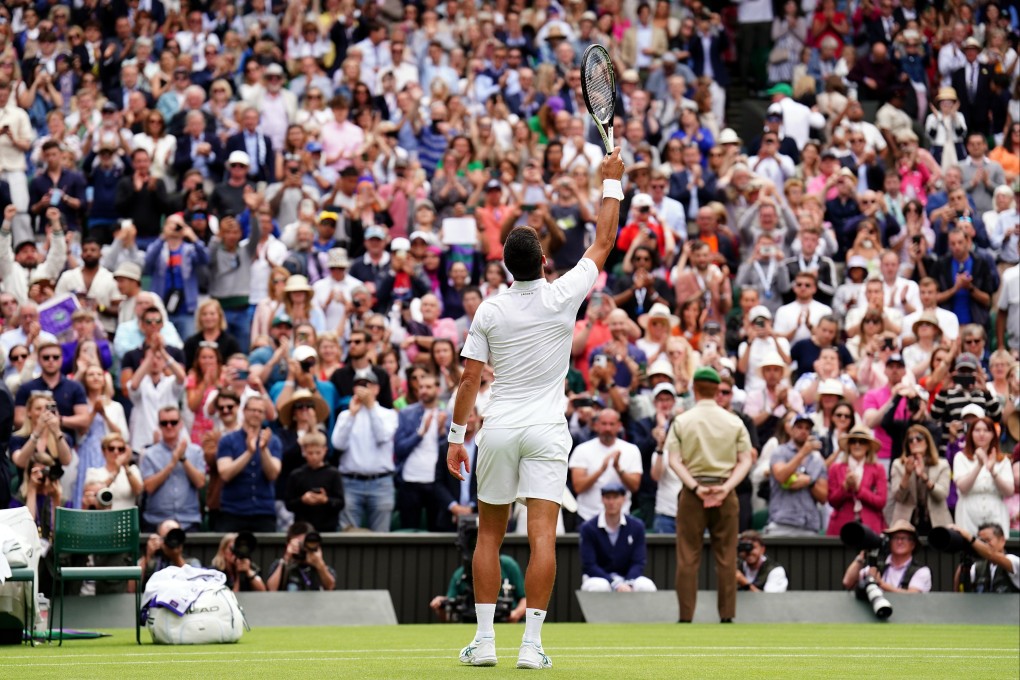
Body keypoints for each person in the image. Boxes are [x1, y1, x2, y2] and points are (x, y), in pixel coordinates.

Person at [446, 149, 623, 669]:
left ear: (505, 264)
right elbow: (605, 240)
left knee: (489, 535)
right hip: (546, 430)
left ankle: (484, 642)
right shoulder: (563, 293)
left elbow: (469, 379)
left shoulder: (490, 310)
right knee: (542, 536)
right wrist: (610, 181)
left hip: (498, 429)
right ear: (544, 262)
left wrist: (456, 436)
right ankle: (531, 646)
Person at [665, 366, 753, 623]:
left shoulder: (682, 420)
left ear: (694, 389)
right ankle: (727, 616)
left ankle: (685, 617)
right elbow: (746, 460)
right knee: (727, 557)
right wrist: (725, 488)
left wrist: (695, 487)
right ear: (717, 390)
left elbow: (673, 460)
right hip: (725, 491)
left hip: (694, 494)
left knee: (687, 557)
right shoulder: (734, 421)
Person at [330, 367, 399, 532]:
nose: (362, 388)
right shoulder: (345, 415)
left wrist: (370, 408)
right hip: (350, 482)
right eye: (359, 384)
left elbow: (382, 436)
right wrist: (351, 415)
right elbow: (338, 444)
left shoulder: (388, 414)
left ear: (376, 388)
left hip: (380, 482)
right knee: (348, 535)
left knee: (381, 539)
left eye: (366, 384)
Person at [215, 395, 282, 532]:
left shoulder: (273, 441)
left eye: (260, 411)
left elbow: (273, 474)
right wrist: (249, 453)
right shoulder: (227, 440)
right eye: (252, 410)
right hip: (233, 511)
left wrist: (263, 450)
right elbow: (225, 474)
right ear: (244, 411)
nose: (256, 414)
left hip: (264, 512)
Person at [578, 482, 657, 593]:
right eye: (608, 498)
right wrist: (614, 583)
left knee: (647, 586)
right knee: (600, 587)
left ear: (623, 499)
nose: (611, 502)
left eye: (615, 497)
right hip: (598, 579)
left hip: (627, 578)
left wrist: (628, 582)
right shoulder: (588, 528)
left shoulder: (637, 527)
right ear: (602, 499)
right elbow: (589, 565)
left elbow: (638, 562)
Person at [140, 405, 206, 532]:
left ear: (181, 424)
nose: (169, 426)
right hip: (156, 521)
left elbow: (200, 482)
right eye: (164, 423)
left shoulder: (195, 451)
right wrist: (172, 463)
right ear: (159, 425)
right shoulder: (149, 454)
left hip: (188, 520)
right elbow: (149, 487)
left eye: (173, 422)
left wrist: (183, 459)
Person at [569, 409, 643, 521]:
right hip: (587, 516)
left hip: (621, 517)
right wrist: (601, 470)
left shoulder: (632, 450)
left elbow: (635, 486)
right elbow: (578, 487)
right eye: (604, 424)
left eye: (612, 424)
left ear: (619, 426)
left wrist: (618, 469)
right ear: (596, 425)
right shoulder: (582, 449)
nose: (607, 428)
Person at [765, 413, 829, 537]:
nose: (803, 431)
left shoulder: (817, 460)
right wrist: (802, 454)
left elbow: (823, 497)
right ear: (791, 429)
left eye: (807, 428)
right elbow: (781, 476)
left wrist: (808, 481)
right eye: (799, 427)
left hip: (809, 524)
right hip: (781, 522)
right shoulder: (779, 452)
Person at [953, 416, 1013, 535]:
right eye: (977, 430)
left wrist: (993, 471)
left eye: (986, 430)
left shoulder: (1003, 460)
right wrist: (979, 465)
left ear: (993, 434)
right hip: (968, 516)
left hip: (996, 516)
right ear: (971, 433)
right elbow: (963, 488)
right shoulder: (960, 457)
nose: (982, 434)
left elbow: (1009, 491)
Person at [430, 551, 527, 623]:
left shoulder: (508, 565)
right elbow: (447, 616)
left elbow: (525, 598)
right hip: (472, 625)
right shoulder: (460, 575)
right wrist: (441, 605)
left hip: (507, 623)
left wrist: (516, 614)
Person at [890, 425, 953, 534]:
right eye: (910, 440)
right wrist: (907, 474)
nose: (914, 441)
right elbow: (898, 497)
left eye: (919, 438)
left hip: (936, 522)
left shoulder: (941, 465)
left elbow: (942, 495)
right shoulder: (898, 465)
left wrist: (924, 477)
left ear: (927, 442)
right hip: (906, 521)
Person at [827, 425, 887, 537]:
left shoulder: (878, 469)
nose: (857, 445)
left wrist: (859, 489)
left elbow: (881, 502)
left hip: (870, 526)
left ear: (868, 446)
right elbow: (832, 501)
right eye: (853, 441)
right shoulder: (836, 468)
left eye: (862, 441)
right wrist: (845, 486)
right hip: (842, 526)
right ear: (848, 445)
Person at [841, 520, 932, 594]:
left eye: (904, 538)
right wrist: (861, 557)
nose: (899, 542)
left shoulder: (921, 571)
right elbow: (847, 582)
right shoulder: (878, 566)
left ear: (913, 544)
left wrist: (881, 584)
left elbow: (913, 596)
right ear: (889, 542)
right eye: (895, 538)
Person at [284, 431, 344, 533]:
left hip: (328, 529)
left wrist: (325, 500)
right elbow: (289, 504)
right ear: (304, 451)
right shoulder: (296, 475)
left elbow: (340, 503)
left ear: (325, 450)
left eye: (318, 453)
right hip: (303, 530)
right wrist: (303, 500)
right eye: (310, 453)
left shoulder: (333, 474)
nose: (314, 457)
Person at [265, 522, 336, 592]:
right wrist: (286, 560)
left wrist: (319, 564)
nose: (301, 548)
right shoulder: (280, 564)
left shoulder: (320, 567)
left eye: (304, 543)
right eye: (297, 544)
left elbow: (330, 587)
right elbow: (271, 589)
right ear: (288, 544)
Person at [950, 523, 1020, 594]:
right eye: (981, 541)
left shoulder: (1013, 561)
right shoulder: (977, 567)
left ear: (1002, 541)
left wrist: (969, 537)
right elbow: (958, 589)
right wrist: (966, 553)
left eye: (988, 540)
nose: (984, 545)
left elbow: (991, 554)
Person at [137, 520, 202, 589]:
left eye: (175, 537)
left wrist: (177, 558)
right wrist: (147, 555)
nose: (172, 541)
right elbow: (131, 590)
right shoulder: (150, 561)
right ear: (159, 538)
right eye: (168, 537)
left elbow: (198, 588)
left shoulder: (192, 563)